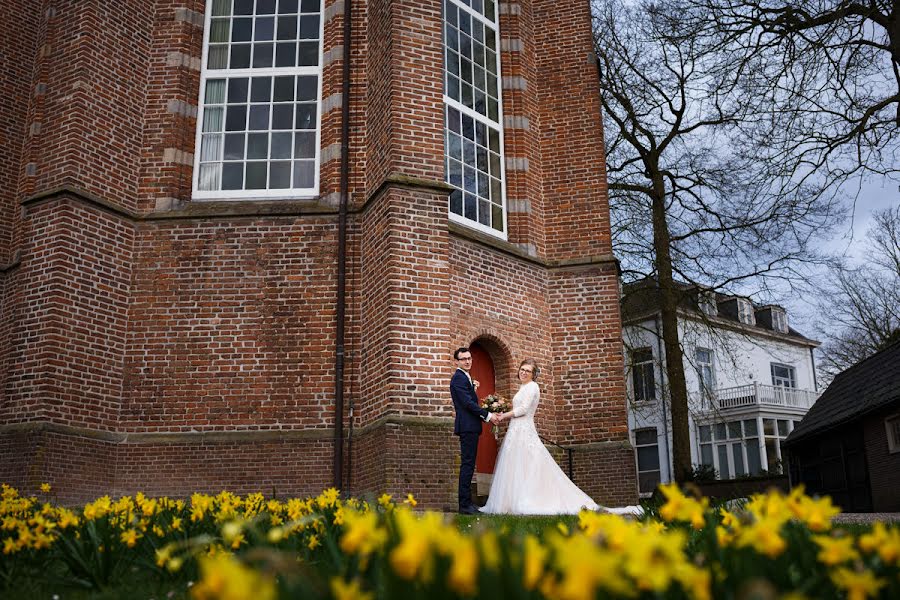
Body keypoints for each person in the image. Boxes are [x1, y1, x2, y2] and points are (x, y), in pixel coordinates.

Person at [482, 358, 601, 515]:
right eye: (522, 369)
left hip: (524, 430)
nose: (523, 372)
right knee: (515, 466)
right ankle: (510, 502)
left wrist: (502, 416)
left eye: (528, 371)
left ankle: (528, 500)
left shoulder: (533, 387)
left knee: (527, 465)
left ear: (533, 374)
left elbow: (524, 409)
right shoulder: (523, 387)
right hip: (515, 429)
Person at [449, 347, 494, 515]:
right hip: (467, 427)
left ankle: (467, 504)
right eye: (463, 359)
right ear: (457, 362)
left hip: (470, 426)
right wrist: (488, 415)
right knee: (467, 465)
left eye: (469, 358)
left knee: (469, 464)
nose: (467, 361)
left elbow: (467, 399)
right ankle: (465, 505)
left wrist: (472, 388)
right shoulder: (458, 378)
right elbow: (467, 404)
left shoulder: (465, 377)